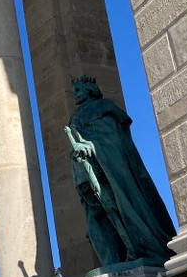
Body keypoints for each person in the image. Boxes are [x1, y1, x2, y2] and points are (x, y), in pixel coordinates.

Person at [66, 76, 175, 265]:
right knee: (97, 218)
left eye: (78, 90)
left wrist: (93, 146)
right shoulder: (75, 116)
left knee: (119, 206)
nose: (75, 94)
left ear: (90, 90)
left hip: (107, 169)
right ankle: (112, 261)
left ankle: (139, 250)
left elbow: (113, 141)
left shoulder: (103, 107)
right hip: (85, 171)